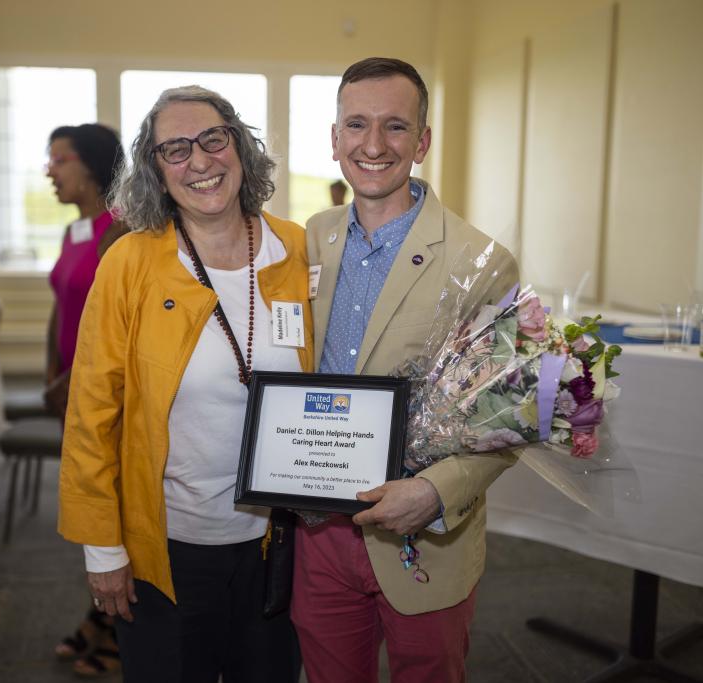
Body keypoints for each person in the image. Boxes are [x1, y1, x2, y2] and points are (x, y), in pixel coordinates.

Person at [57, 85, 312, 683]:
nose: (199, 161)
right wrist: (103, 550)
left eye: (212, 139)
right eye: (175, 149)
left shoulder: (296, 248)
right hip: (167, 547)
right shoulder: (130, 263)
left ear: (239, 147)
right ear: (155, 169)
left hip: (280, 542)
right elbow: (93, 412)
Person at [293, 58, 520, 683]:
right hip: (318, 525)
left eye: (395, 127)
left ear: (422, 141)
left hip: (425, 532)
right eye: (356, 125)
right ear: (334, 137)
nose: (373, 145)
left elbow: (504, 420)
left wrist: (434, 493)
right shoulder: (310, 239)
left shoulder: (481, 261)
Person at [44, 123, 129, 678]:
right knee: (91, 506)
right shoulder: (76, 230)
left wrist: (75, 378)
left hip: (103, 390)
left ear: (93, 165)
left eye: (60, 159)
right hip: (71, 390)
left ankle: (120, 629)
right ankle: (99, 617)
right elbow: (62, 304)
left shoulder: (118, 231)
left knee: (115, 511)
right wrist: (52, 371)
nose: (50, 170)